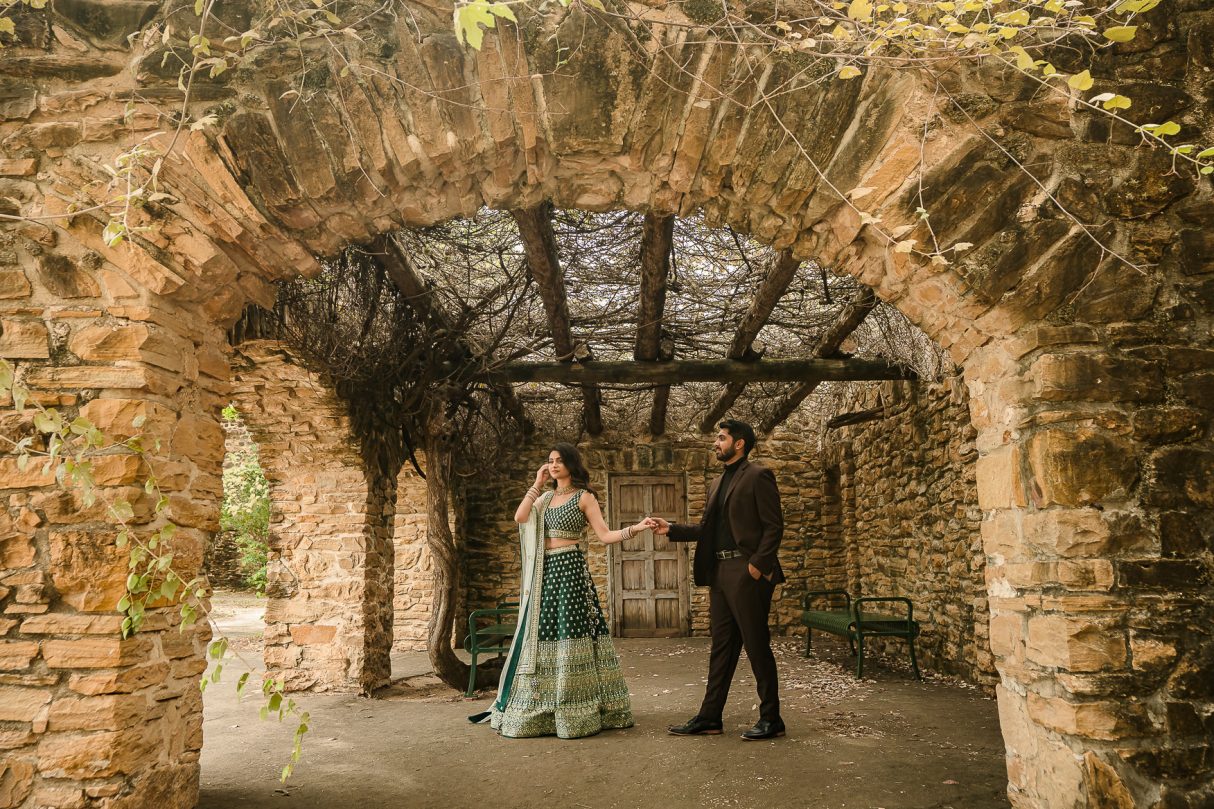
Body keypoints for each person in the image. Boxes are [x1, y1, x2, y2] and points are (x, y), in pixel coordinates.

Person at [481, 442, 647, 739]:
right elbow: (520, 518)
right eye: (550, 461)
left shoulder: (584, 497)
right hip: (544, 574)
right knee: (543, 634)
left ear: (571, 464)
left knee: (569, 632)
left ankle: (575, 704)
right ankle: (543, 702)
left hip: (570, 572)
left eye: (559, 460)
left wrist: (636, 528)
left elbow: (606, 535)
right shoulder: (544, 498)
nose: (554, 465)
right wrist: (536, 483)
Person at [651, 419, 786, 740]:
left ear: (739, 444)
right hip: (721, 574)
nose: (716, 443)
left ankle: (772, 718)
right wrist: (671, 528)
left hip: (747, 572)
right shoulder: (716, 484)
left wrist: (756, 566)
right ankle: (710, 717)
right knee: (721, 648)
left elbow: (774, 526)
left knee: (756, 646)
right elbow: (706, 530)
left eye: (721, 438)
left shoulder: (758, 476)